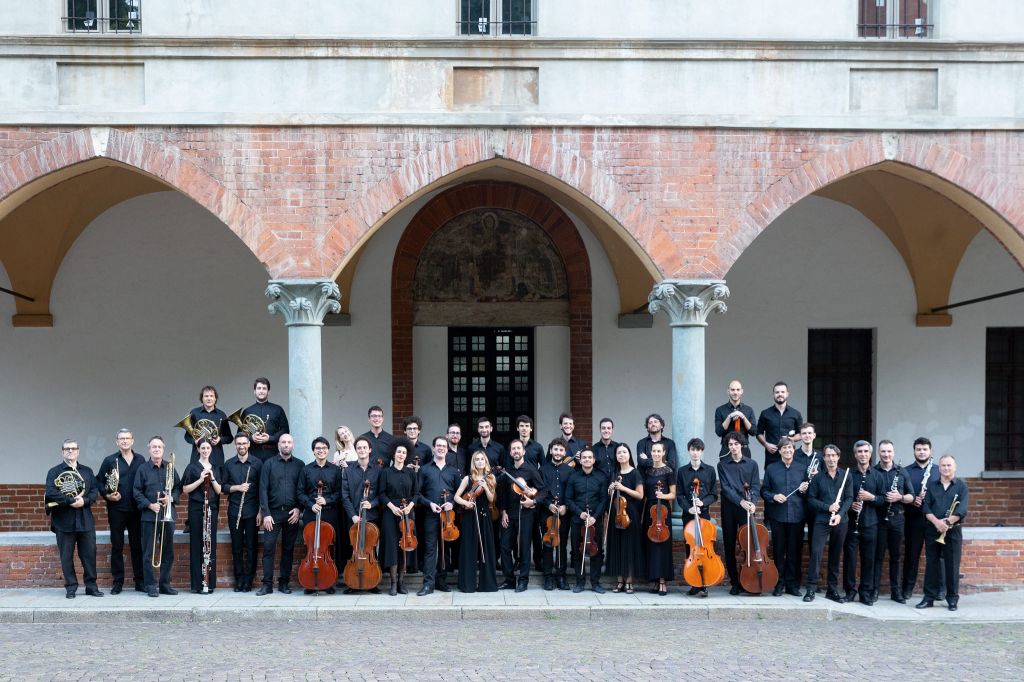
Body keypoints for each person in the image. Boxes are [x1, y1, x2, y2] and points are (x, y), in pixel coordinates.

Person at [45, 439, 102, 599]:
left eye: (73, 448)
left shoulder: (87, 471)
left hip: (85, 520)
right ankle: (71, 587)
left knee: (89, 555)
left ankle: (91, 587)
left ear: (78, 451)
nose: (70, 451)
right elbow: (51, 492)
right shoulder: (54, 472)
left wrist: (85, 501)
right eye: (67, 449)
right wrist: (70, 500)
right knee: (66, 557)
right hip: (63, 521)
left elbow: (94, 491)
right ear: (62, 451)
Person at [917, 455, 969, 612]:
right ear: (938, 468)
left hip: (953, 531)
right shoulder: (932, 485)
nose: (946, 468)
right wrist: (937, 523)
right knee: (931, 564)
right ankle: (929, 598)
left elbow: (962, 509)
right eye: (943, 465)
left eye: (949, 465)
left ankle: (952, 599)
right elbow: (926, 508)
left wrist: (947, 523)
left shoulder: (961, 486)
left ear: (955, 467)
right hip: (933, 530)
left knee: (952, 565)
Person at [96, 428, 144, 594]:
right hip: (116, 509)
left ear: (132, 440)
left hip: (136, 510)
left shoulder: (141, 459)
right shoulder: (109, 460)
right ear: (117, 442)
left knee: (137, 546)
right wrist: (108, 495)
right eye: (121, 438)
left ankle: (140, 581)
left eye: (127, 438)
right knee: (117, 546)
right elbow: (99, 481)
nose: (124, 441)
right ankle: (118, 582)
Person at [803, 444, 853, 603]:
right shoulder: (817, 478)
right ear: (823, 458)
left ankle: (832, 590)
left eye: (833, 455)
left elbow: (849, 498)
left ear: (838, 457)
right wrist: (828, 507)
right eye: (828, 455)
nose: (831, 458)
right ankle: (811, 589)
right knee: (816, 553)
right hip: (822, 520)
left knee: (835, 555)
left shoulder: (846, 476)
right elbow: (811, 499)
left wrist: (839, 514)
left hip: (840, 520)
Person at [133, 436, 182, 598]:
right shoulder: (142, 469)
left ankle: (165, 584)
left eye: (159, 447)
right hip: (149, 516)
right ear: (149, 449)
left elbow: (178, 488)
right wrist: (149, 504)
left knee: (168, 552)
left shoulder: (170, 467)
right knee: (148, 552)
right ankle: (150, 585)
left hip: (168, 515)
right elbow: (136, 492)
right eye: (153, 447)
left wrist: (171, 498)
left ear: (163, 449)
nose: (156, 449)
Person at [256, 434, 303, 595]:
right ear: (278, 445)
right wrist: (266, 513)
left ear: (293, 445)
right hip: (273, 514)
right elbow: (262, 489)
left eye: (289, 442)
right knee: (268, 548)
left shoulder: (299, 465)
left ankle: (284, 583)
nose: (286, 445)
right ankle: (267, 585)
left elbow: (302, 490)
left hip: (292, 514)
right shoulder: (268, 464)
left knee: (288, 549)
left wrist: (299, 508)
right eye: (283, 442)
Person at [498, 439, 547, 592]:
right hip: (509, 514)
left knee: (524, 547)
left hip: (526, 514)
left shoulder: (532, 470)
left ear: (524, 451)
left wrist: (533, 502)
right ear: (510, 453)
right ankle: (509, 579)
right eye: (513, 449)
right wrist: (503, 512)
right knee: (505, 547)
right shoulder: (507, 472)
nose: (516, 451)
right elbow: (503, 494)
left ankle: (523, 581)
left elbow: (543, 490)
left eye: (518, 448)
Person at [761, 439, 808, 597]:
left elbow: (809, 494)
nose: (787, 450)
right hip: (778, 516)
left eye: (790, 448)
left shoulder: (802, 468)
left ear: (794, 450)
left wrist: (804, 489)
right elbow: (764, 491)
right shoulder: (771, 468)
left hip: (797, 516)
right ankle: (779, 584)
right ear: (779, 451)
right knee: (778, 551)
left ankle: (792, 585)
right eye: (784, 448)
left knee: (794, 552)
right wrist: (774, 496)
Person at [415, 436, 462, 595]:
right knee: (430, 549)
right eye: (438, 446)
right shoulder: (424, 469)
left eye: (444, 446)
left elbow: (459, 494)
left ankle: (441, 581)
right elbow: (417, 494)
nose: (441, 448)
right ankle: (428, 584)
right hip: (431, 514)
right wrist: (429, 503)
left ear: (447, 450)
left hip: (448, 517)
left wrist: (452, 503)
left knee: (445, 549)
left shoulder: (453, 471)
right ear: (433, 448)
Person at [297, 436, 343, 594]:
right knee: (311, 546)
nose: (321, 450)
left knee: (329, 548)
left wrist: (327, 500)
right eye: (318, 448)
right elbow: (300, 492)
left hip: (330, 513)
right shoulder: (306, 470)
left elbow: (339, 493)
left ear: (328, 450)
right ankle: (310, 582)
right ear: (313, 451)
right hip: (311, 513)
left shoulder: (335, 470)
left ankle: (328, 582)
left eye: (324, 448)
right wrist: (311, 504)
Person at [843, 440, 886, 605]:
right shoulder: (848, 475)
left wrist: (871, 497)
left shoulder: (878, 476)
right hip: (851, 523)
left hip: (871, 524)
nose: (863, 454)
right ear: (855, 455)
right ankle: (849, 591)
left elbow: (883, 500)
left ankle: (865, 593)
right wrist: (850, 505)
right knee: (850, 560)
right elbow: (841, 498)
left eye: (865, 451)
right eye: (859, 452)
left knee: (869, 560)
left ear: (870, 454)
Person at [717, 432, 760, 595]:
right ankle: (735, 582)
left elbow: (755, 486)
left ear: (741, 445)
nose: (733, 447)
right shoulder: (722, 465)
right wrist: (740, 501)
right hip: (729, 507)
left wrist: (752, 502)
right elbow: (726, 488)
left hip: (747, 507)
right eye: (730, 444)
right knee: (729, 544)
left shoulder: (752, 464)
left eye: (736, 444)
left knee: (748, 545)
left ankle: (748, 580)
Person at [872, 440, 913, 603]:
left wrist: (899, 497)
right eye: (883, 451)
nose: (886, 454)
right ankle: (874, 590)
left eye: (889, 451)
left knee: (895, 557)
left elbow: (912, 496)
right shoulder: (873, 471)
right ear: (879, 453)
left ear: (893, 453)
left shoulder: (902, 472)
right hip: (879, 519)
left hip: (897, 518)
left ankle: (896, 592)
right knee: (878, 556)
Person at [676, 437, 717, 596]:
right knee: (691, 548)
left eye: (698, 450)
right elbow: (680, 495)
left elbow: (713, 494)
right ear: (689, 451)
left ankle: (704, 582)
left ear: (702, 451)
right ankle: (694, 583)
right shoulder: (682, 471)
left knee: (704, 546)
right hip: (689, 515)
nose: (695, 453)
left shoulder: (710, 470)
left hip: (703, 514)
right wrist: (689, 508)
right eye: (692, 450)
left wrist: (702, 502)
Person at [181, 438, 223, 593]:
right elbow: (185, 489)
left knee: (210, 544)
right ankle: (197, 585)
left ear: (211, 450)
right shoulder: (192, 467)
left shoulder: (216, 468)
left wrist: (212, 478)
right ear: (198, 449)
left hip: (211, 509)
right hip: (196, 509)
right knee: (197, 544)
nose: (205, 451)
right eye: (202, 448)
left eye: (208, 448)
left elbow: (219, 491)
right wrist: (200, 479)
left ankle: (209, 584)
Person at [342, 436, 383, 591]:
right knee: (353, 548)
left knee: (371, 548)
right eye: (359, 447)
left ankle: (372, 582)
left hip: (371, 516)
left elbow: (381, 494)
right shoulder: (348, 470)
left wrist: (372, 503)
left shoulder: (378, 470)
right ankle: (352, 582)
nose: (362, 450)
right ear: (356, 450)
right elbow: (345, 496)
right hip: (353, 516)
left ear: (370, 450)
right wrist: (353, 515)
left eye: (365, 447)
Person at [901, 436, 940, 601]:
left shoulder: (938, 470)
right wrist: (912, 500)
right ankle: (907, 589)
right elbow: (901, 495)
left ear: (930, 451)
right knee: (911, 555)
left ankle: (939, 590)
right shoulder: (906, 471)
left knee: (936, 556)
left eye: (925, 449)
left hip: (934, 520)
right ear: (914, 451)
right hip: (913, 518)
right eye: (918, 449)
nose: (922, 452)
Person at [455, 450, 500, 593]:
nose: (480, 461)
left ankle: (487, 585)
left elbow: (491, 499)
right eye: (477, 459)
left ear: (486, 462)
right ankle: (467, 585)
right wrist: (466, 503)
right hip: (470, 516)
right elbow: (456, 497)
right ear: (473, 462)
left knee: (486, 549)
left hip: (484, 516)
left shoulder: (491, 478)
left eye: (482, 459)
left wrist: (486, 487)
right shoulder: (467, 479)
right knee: (469, 549)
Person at [565, 448, 609, 593]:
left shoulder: (601, 477)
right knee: (577, 551)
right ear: (580, 460)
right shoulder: (573, 477)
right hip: (577, 520)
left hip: (595, 521)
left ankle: (595, 583)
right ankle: (580, 582)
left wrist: (595, 517)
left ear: (594, 460)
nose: (587, 460)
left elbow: (604, 500)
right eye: (584, 457)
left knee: (597, 552)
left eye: (590, 457)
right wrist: (580, 513)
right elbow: (568, 499)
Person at [379, 439, 418, 595]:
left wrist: (409, 507)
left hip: (408, 513)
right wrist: (392, 507)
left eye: (404, 452)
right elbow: (382, 494)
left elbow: (416, 494)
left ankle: (401, 582)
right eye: (399, 452)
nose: (401, 454)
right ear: (393, 454)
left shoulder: (411, 473)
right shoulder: (385, 473)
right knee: (392, 547)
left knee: (405, 547)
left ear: (406, 455)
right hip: (391, 512)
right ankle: (393, 583)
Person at [223, 433, 261, 592]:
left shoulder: (257, 463)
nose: (242, 446)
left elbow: (262, 489)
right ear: (235, 445)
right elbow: (224, 487)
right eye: (239, 443)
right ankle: (239, 580)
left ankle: (248, 581)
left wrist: (260, 512)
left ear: (249, 444)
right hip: (234, 510)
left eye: (244, 443)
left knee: (252, 546)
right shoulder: (229, 464)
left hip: (252, 511)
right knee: (237, 547)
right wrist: (238, 487)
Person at [605, 443, 643, 595]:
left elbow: (640, 495)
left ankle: (629, 582)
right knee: (617, 547)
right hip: (616, 513)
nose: (621, 455)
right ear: (616, 456)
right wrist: (610, 490)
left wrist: (623, 488)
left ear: (629, 454)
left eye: (624, 452)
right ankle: (620, 581)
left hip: (630, 514)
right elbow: (610, 496)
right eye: (619, 453)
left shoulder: (635, 473)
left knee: (629, 548)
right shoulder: (614, 473)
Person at [539, 437, 574, 590]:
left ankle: (561, 576)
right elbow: (540, 491)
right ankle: (547, 577)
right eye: (555, 449)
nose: (558, 452)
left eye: (561, 450)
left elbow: (572, 492)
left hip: (564, 513)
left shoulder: (571, 471)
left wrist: (566, 506)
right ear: (551, 451)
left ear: (564, 452)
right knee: (547, 544)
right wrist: (548, 504)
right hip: (547, 512)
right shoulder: (542, 470)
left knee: (562, 544)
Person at [642, 442, 676, 596]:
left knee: (663, 545)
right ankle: (655, 580)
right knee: (651, 546)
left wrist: (663, 495)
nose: (656, 453)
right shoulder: (647, 471)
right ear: (651, 453)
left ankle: (663, 581)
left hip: (663, 511)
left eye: (659, 451)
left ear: (663, 453)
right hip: (650, 510)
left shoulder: (669, 471)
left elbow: (673, 494)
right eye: (654, 451)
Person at [755, 381, 803, 469]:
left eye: (782, 392)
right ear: (773, 394)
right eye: (777, 392)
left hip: (789, 455)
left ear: (787, 394)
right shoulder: (765, 413)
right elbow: (758, 433)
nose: (780, 394)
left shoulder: (796, 414)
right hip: (771, 456)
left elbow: (801, 434)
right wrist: (766, 444)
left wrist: (791, 439)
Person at [242, 377, 290, 463]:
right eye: (259, 388)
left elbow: (285, 430)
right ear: (254, 391)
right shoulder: (247, 411)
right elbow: (241, 433)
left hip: (273, 454)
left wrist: (271, 438)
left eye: (264, 388)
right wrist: (251, 438)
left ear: (268, 392)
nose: (261, 391)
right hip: (252, 454)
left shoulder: (278, 409)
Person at [184, 385, 233, 468]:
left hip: (216, 456)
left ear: (215, 398)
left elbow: (229, 438)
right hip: (198, 456)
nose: (209, 398)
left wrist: (220, 439)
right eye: (206, 396)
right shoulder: (194, 413)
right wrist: (195, 441)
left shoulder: (221, 415)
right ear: (202, 399)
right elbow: (187, 437)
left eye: (211, 396)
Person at [713, 380, 756, 459]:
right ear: (728, 391)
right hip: (727, 449)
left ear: (742, 391)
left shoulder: (749, 410)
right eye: (732, 390)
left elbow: (753, 431)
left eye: (738, 390)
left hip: (744, 449)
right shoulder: (720, 410)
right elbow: (718, 432)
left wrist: (743, 417)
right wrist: (729, 417)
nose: (735, 392)